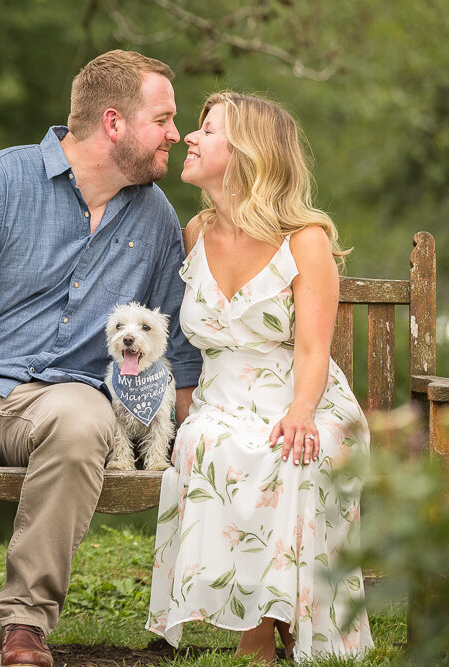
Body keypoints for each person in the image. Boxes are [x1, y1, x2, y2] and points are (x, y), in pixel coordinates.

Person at [0, 50, 201, 666]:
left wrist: (189, 435)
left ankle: (26, 626)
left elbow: (174, 344)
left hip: (68, 397)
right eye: (163, 119)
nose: (174, 135)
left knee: (82, 421)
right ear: (113, 123)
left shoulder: (155, 217)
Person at [145, 91, 374, 662]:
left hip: (301, 391)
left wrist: (300, 411)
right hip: (221, 397)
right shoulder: (194, 233)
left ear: (247, 153)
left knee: (292, 450)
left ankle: (268, 627)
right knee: (204, 441)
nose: (188, 139)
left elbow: (313, 350)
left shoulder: (305, 240)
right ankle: (262, 621)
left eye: (207, 130)